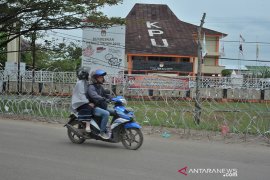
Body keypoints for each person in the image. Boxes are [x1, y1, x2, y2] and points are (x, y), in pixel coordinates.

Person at [87, 69, 112, 139]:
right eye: (100, 77)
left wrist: (110, 97)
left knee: (115, 112)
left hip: (101, 106)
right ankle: (102, 132)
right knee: (106, 113)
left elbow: (105, 94)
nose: (102, 78)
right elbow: (94, 95)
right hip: (94, 108)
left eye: (102, 77)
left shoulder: (100, 87)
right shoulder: (91, 87)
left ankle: (111, 129)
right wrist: (102, 98)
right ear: (95, 78)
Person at [71, 67, 93, 132]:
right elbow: (81, 94)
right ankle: (87, 125)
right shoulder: (80, 83)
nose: (89, 76)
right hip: (79, 102)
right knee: (89, 107)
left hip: (84, 101)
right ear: (84, 74)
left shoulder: (85, 82)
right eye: (88, 74)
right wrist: (88, 102)